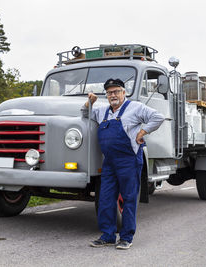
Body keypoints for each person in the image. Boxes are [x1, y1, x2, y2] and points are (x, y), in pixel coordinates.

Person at [82, 78, 164, 250]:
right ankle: (108, 236)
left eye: (116, 91)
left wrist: (143, 132)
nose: (113, 95)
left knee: (129, 198)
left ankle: (126, 237)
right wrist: (89, 102)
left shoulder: (136, 108)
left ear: (123, 92)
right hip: (109, 162)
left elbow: (158, 117)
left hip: (129, 160)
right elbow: (84, 114)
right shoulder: (102, 111)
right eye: (109, 92)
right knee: (105, 199)